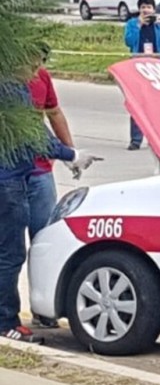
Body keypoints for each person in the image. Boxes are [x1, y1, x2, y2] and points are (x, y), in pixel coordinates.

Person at [0, 80, 99, 343]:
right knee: (10, 254)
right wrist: (71, 154)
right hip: (8, 181)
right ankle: (6, 321)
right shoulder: (12, 88)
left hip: (13, 178)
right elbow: (34, 135)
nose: (36, 71)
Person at [26, 46, 76, 328]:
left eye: (41, 60)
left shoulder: (42, 78)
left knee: (43, 241)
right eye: (33, 59)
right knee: (8, 249)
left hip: (41, 171)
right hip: (9, 175)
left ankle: (42, 308)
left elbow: (54, 113)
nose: (37, 66)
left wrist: (70, 152)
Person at [123, 0, 160, 151]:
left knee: (157, 105)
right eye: (143, 8)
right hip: (138, 68)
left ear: (154, 9)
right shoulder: (132, 23)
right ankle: (136, 139)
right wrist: (138, 25)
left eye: (148, 7)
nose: (146, 10)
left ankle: (156, 138)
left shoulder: (159, 25)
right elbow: (129, 41)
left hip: (157, 69)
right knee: (137, 103)